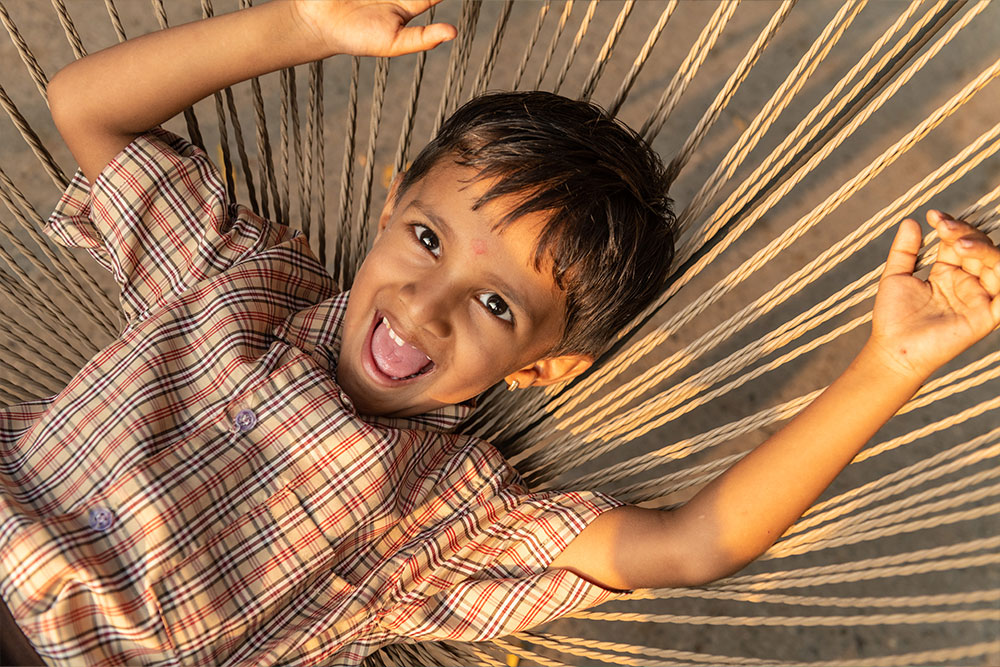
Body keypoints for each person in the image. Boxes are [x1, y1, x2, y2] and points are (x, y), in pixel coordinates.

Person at [1, 1, 997, 665]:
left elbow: (691, 544)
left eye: (494, 307)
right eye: (427, 237)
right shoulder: (240, 279)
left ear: (547, 365)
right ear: (388, 206)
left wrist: (889, 364)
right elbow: (87, 108)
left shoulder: (446, 512)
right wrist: (302, 20)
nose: (427, 302)